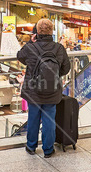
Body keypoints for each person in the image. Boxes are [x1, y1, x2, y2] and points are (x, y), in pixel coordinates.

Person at [17, 18, 72, 158]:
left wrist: (30, 41)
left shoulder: (31, 47)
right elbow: (66, 68)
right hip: (52, 90)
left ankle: (31, 146)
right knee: (49, 120)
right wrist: (54, 75)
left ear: (37, 31)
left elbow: (20, 56)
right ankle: (48, 150)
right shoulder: (59, 48)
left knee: (33, 118)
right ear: (51, 31)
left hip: (33, 90)